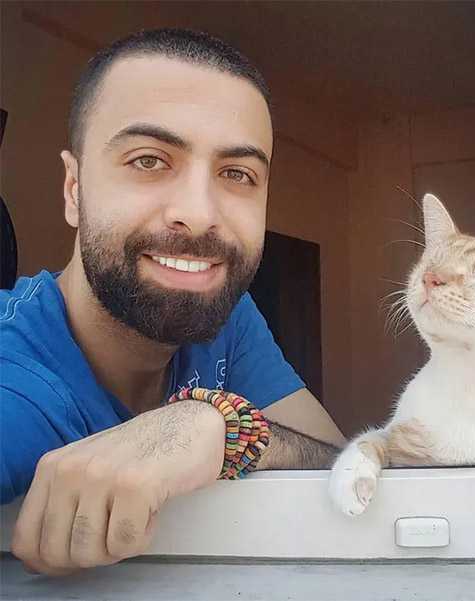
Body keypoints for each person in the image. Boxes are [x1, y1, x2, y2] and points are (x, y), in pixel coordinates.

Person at [0, 28, 345, 576]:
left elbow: (339, 463)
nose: (200, 214)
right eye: (148, 161)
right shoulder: (15, 383)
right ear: (73, 189)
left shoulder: (226, 315)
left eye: (237, 173)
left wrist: (220, 429)